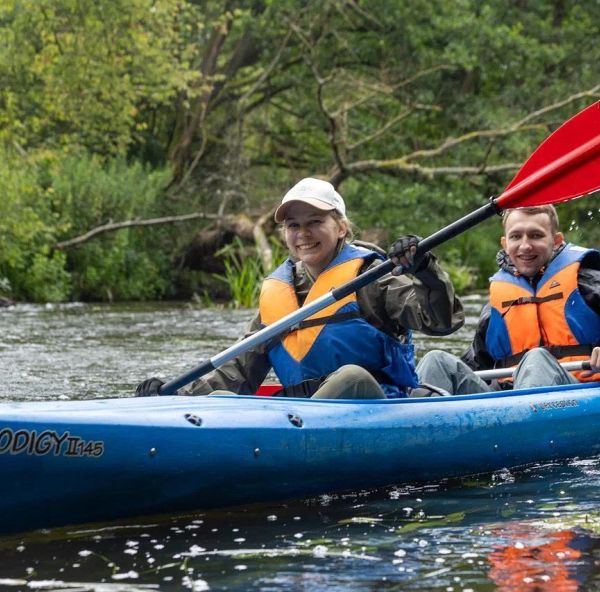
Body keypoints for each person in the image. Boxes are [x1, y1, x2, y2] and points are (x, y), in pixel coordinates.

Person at [136, 177, 464, 399]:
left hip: (376, 409)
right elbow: (236, 369)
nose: (303, 233)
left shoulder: (373, 278)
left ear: (340, 227)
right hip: (300, 414)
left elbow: (442, 321)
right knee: (220, 398)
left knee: (352, 376)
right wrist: (174, 397)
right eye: (293, 225)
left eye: (315, 222)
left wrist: (426, 270)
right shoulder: (280, 293)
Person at [416, 204, 600, 395]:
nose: (525, 245)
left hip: (577, 393)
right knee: (436, 361)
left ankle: (524, 422)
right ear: (505, 243)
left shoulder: (588, 282)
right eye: (516, 236)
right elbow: (477, 365)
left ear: (555, 241)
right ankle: (414, 420)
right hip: (505, 401)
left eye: (536, 235)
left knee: (536, 359)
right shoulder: (497, 303)